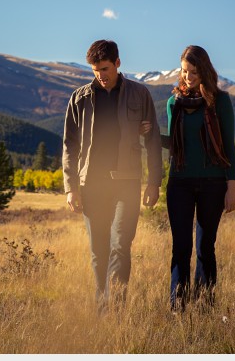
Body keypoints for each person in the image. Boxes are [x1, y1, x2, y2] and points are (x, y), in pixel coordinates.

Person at [63, 39, 163, 313]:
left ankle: (117, 309)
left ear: (118, 63)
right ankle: (102, 308)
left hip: (126, 183)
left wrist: (154, 182)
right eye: (96, 70)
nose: (101, 75)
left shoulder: (139, 94)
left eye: (105, 69)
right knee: (99, 251)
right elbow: (69, 146)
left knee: (120, 245)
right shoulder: (80, 98)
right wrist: (70, 188)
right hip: (90, 185)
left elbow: (153, 139)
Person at [165, 45, 235, 312]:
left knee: (205, 247)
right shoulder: (174, 103)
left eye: (194, 72)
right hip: (179, 182)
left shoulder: (221, 102)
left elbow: (229, 146)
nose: (188, 77)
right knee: (180, 247)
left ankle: (205, 307)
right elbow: (174, 144)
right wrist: (145, 135)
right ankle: (177, 308)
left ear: (204, 71)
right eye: (184, 71)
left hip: (213, 183)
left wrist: (232, 185)